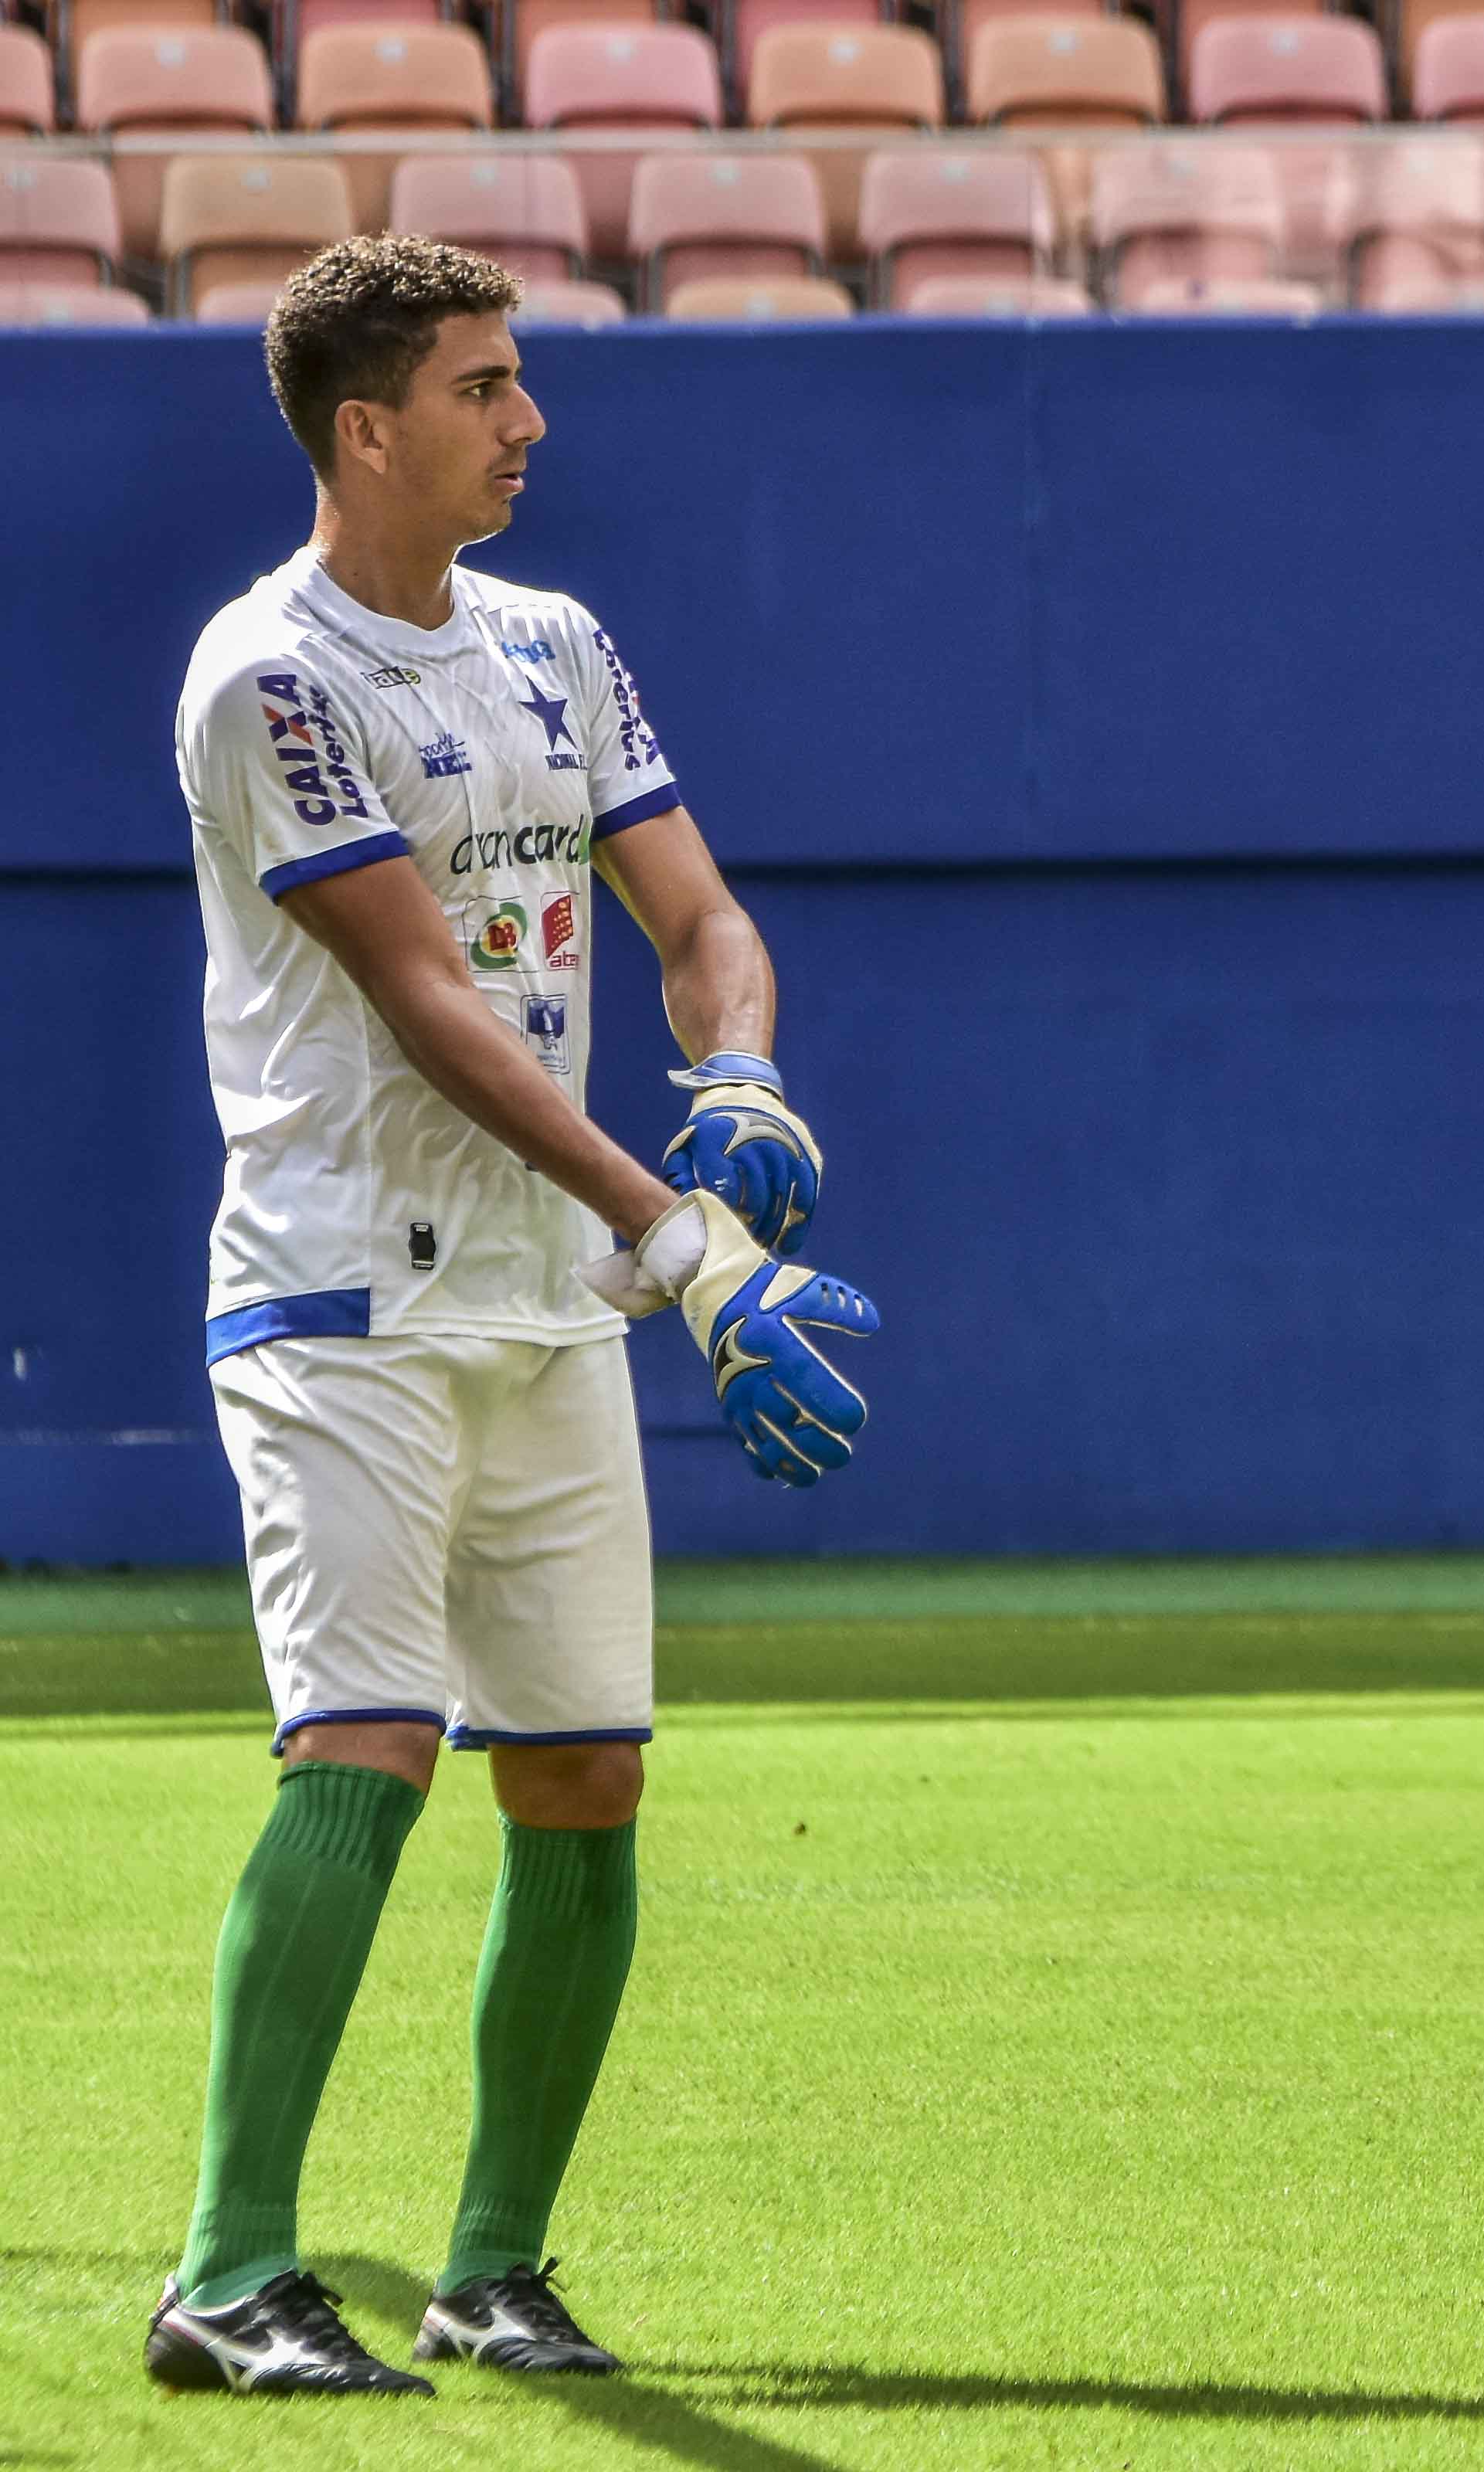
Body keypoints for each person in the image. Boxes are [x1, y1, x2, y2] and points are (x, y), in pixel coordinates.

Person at [148, 236, 881, 2398]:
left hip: (552, 1303)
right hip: (339, 1294)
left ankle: (489, 2268)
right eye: (483, 386)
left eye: (519, 379)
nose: (527, 419)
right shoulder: (263, 676)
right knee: (364, 1752)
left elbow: (697, 910)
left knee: (582, 1779)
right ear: (365, 428)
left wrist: (737, 1064)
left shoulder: (560, 641)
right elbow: (431, 1003)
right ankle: (228, 2270)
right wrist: (690, 1245)